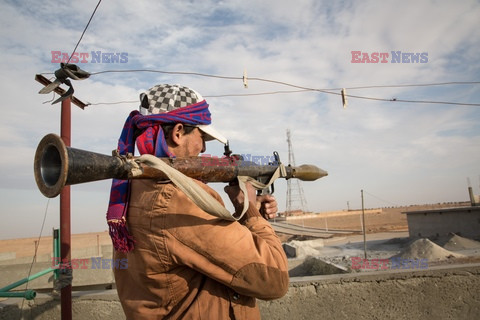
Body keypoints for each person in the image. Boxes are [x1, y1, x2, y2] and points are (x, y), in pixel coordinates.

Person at [108, 84, 289, 319]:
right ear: (178, 132)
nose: (203, 147)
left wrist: (248, 216)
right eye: (201, 137)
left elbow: (198, 256)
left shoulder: (134, 188)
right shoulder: (180, 199)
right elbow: (274, 280)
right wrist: (250, 211)